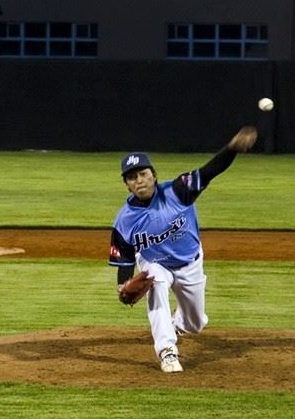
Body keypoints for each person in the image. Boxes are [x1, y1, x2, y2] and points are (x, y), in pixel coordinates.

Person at [109, 126, 257, 372]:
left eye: (143, 174)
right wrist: (123, 288)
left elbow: (210, 171)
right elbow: (124, 262)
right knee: (155, 282)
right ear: (127, 185)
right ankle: (167, 351)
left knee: (195, 324)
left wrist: (232, 149)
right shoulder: (124, 221)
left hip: (190, 264)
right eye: (132, 178)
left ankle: (178, 323)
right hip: (155, 263)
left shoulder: (178, 191)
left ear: (154, 176)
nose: (139, 180)